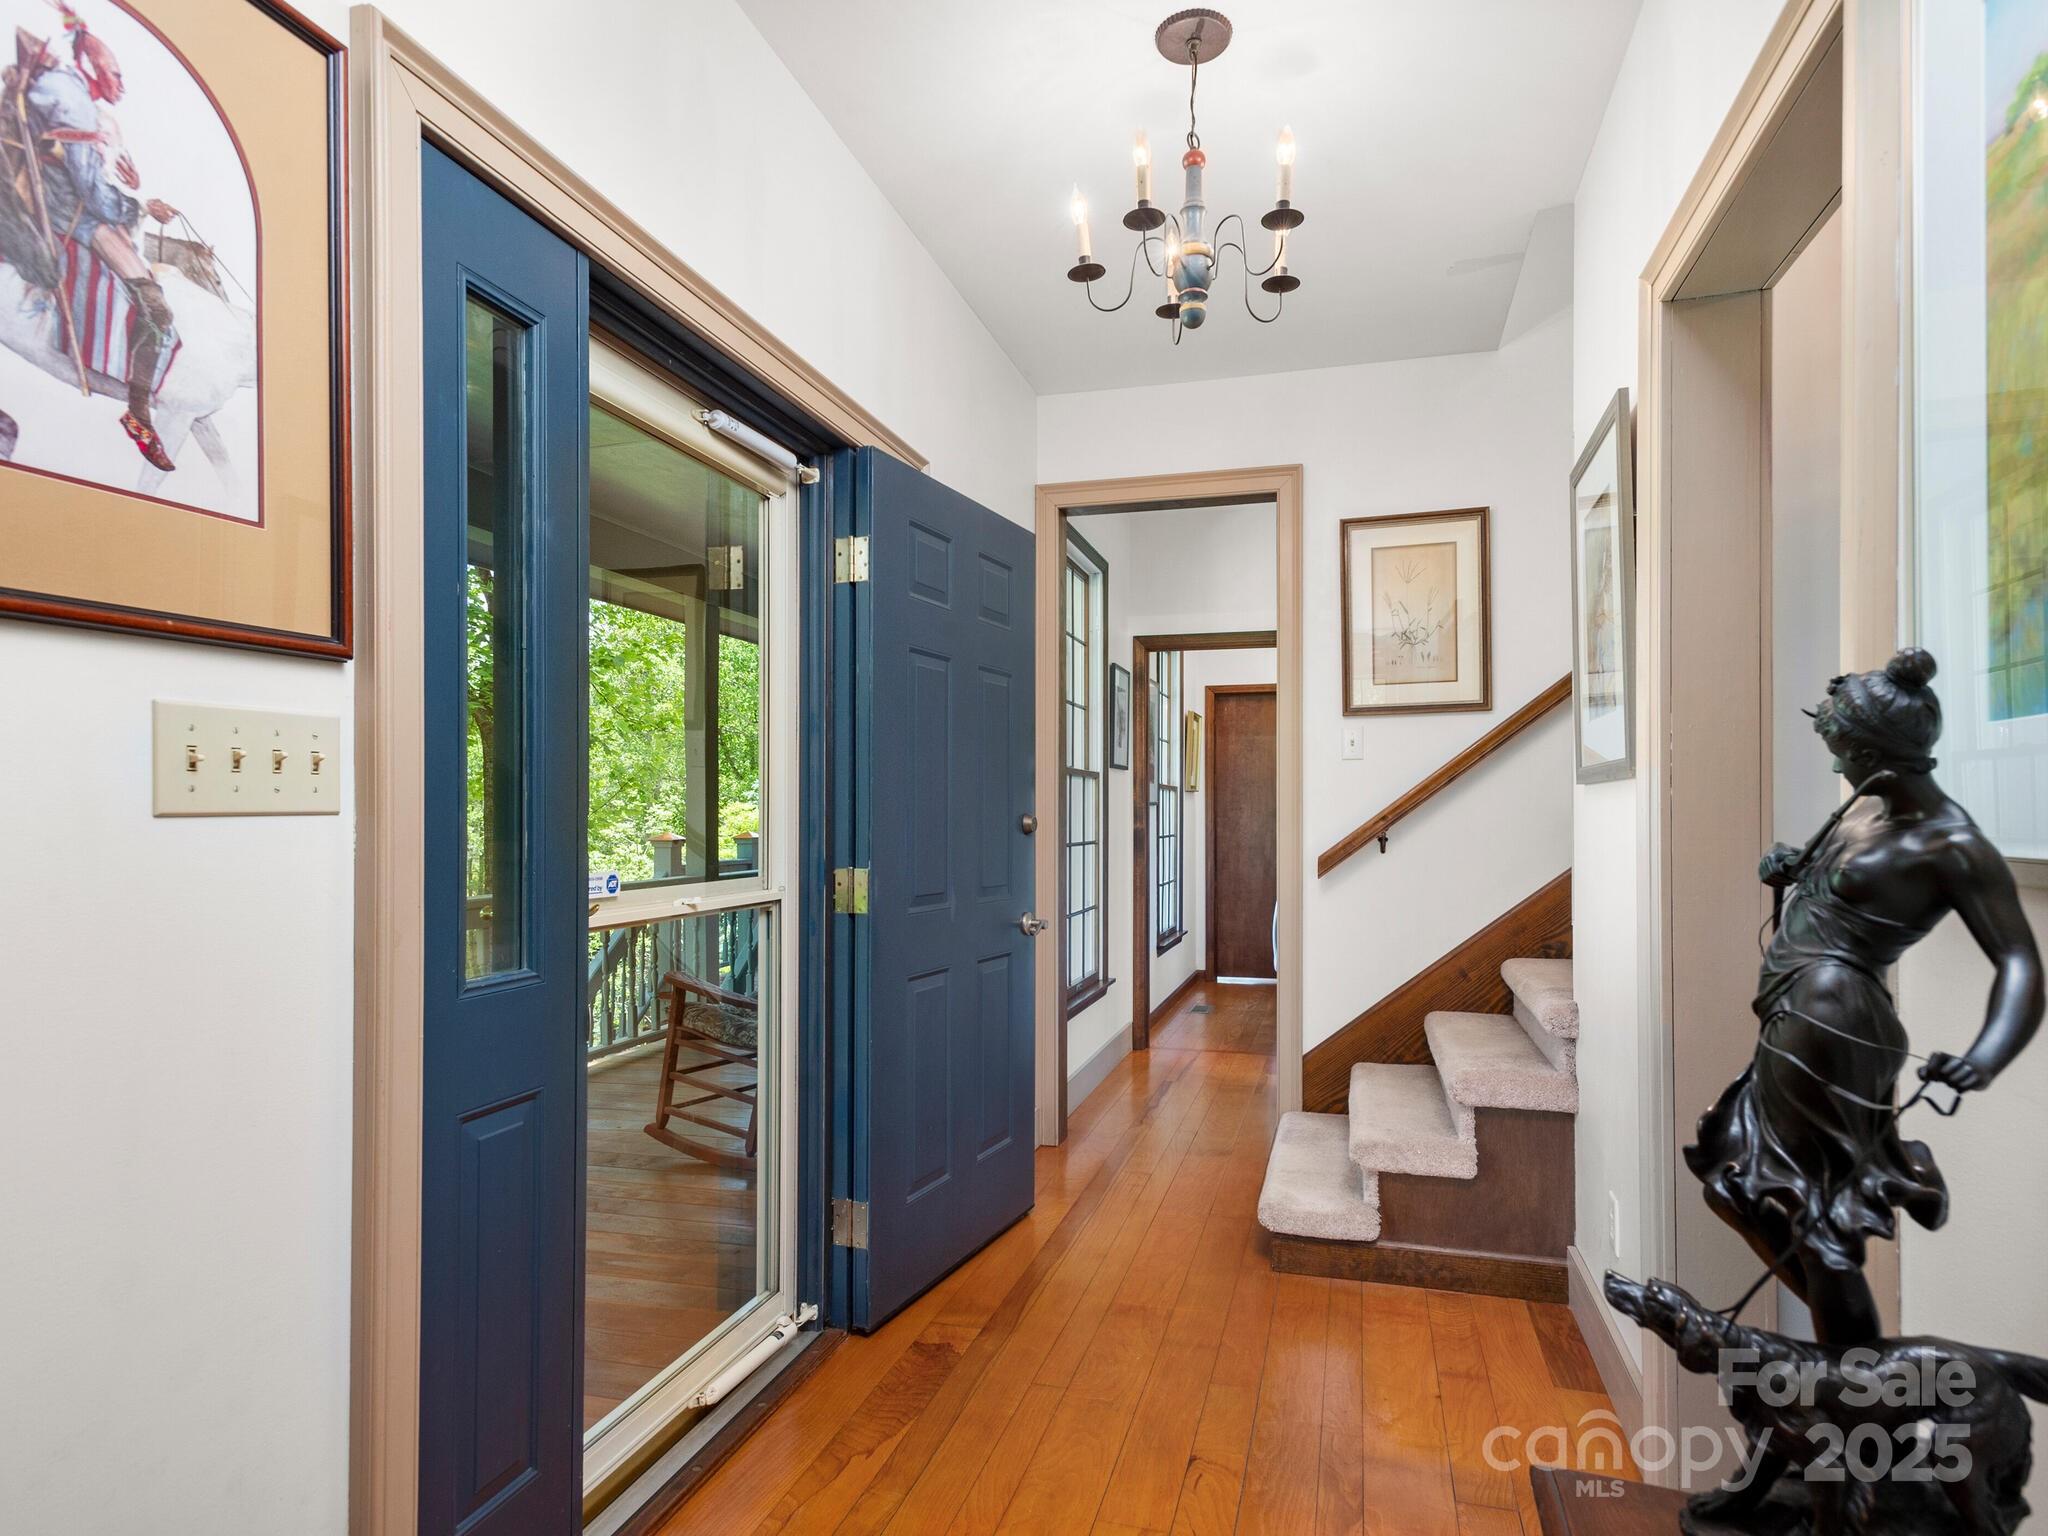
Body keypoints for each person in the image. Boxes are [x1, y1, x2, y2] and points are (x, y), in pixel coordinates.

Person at [1687, 648, 2044, 1358]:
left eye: (1841, 752)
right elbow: (1833, 888)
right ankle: (1853, 1361)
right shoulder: (1864, 810)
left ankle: (1853, 1380)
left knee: (1816, 1219)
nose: (1834, 768)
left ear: (1876, 753)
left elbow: (2019, 961)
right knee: (1740, 1186)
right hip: (1798, 1016)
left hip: (1837, 1025)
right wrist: (1792, 867)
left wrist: (1984, 1058)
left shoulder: (1953, 844)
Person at [5, 4, 181, 469]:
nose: (121, 85)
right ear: (93, 67)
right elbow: (93, 194)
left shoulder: (63, 87)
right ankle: (139, 413)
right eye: (116, 75)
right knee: (157, 307)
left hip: (66, 199)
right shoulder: (75, 100)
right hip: (72, 214)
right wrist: (140, 207)